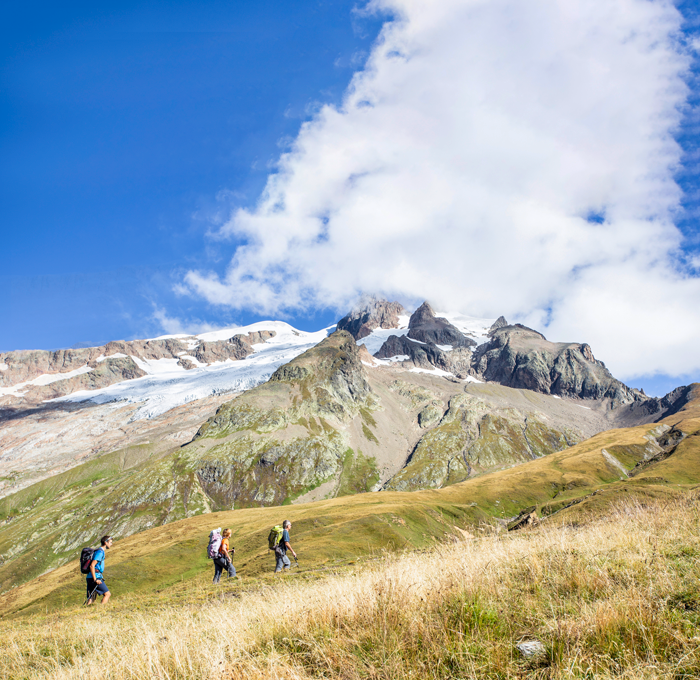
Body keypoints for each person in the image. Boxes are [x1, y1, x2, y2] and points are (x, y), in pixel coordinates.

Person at [86, 535, 113, 605]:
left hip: (90, 577)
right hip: (95, 577)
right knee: (107, 594)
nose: (111, 544)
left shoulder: (98, 551)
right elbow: (92, 565)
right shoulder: (100, 552)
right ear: (105, 542)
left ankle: (86, 612)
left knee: (92, 597)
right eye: (110, 542)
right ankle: (101, 610)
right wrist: (95, 579)